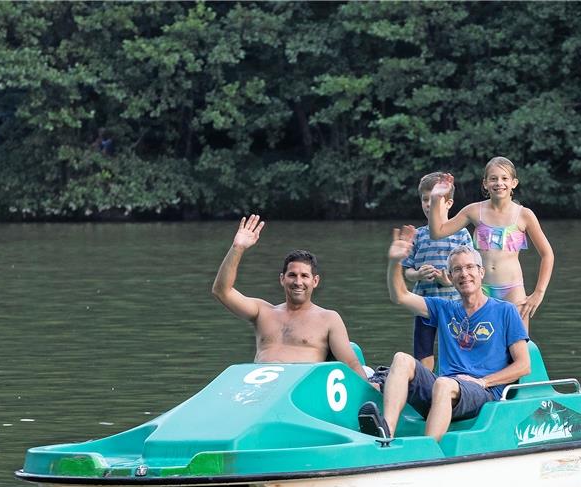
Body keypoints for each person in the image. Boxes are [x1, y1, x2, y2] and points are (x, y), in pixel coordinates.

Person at [358, 227, 530, 443]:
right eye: (457, 269)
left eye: (469, 267)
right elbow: (400, 296)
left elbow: (524, 365)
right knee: (402, 359)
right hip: (445, 388)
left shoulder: (505, 311)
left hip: (482, 393)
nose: (464, 274)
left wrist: (483, 382)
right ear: (450, 276)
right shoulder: (444, 308)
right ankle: (386, 434)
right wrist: (395, 263)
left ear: (481, 272)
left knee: (443, 384)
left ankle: (427, 449)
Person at [212, 214, 368, 379]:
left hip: (299, 391)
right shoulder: (262, 312)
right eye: (292, 275)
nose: (298, 281)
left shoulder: (329, 319)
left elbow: (351, 364)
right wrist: (238, 248)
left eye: (304, 276)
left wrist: (368, 391)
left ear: (315, 281)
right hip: (259, 389)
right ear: (282, 279)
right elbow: (222, 291)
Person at [427, 156, 555, 333]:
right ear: (485, 183)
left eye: (504, 178)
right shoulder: (474, 211)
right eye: (493, 178)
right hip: (480, 289)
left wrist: (539, 293)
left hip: (513, 290)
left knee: (517, 342)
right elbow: (437, 232)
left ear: (514, 183)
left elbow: (547, 254)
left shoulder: (524, 215)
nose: (499, 183)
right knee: (478, 340)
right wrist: (436, 198)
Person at [403, 171, 475, 370]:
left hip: (454, 303)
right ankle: (423, 384)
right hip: (424, 303)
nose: (428, 204)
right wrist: (418, 274)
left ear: (449, 204)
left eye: (433, 200)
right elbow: (407, 271)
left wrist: (449, 280)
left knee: (455, 348)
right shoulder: (417, 235)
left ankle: (455, 383)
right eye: (425, 200)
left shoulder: (460, 234)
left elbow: (471, 272)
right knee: (423, 350)